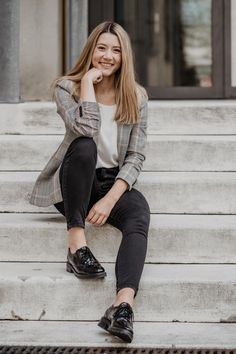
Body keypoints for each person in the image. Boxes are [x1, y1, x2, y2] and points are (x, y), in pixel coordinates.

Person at [29, 21, 150, 343]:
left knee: (138, 215)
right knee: (83, 147)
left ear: (124, 56)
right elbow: (85, 129)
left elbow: (136, 156)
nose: (107, 56)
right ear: (90, 50)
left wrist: (111, 198)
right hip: (74, 179)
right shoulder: (66, 87)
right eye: (101, 48)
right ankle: (77, 245)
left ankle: (122, 306)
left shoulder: (136, 96)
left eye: (116, 50)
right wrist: (87, 85)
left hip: (110, 181)